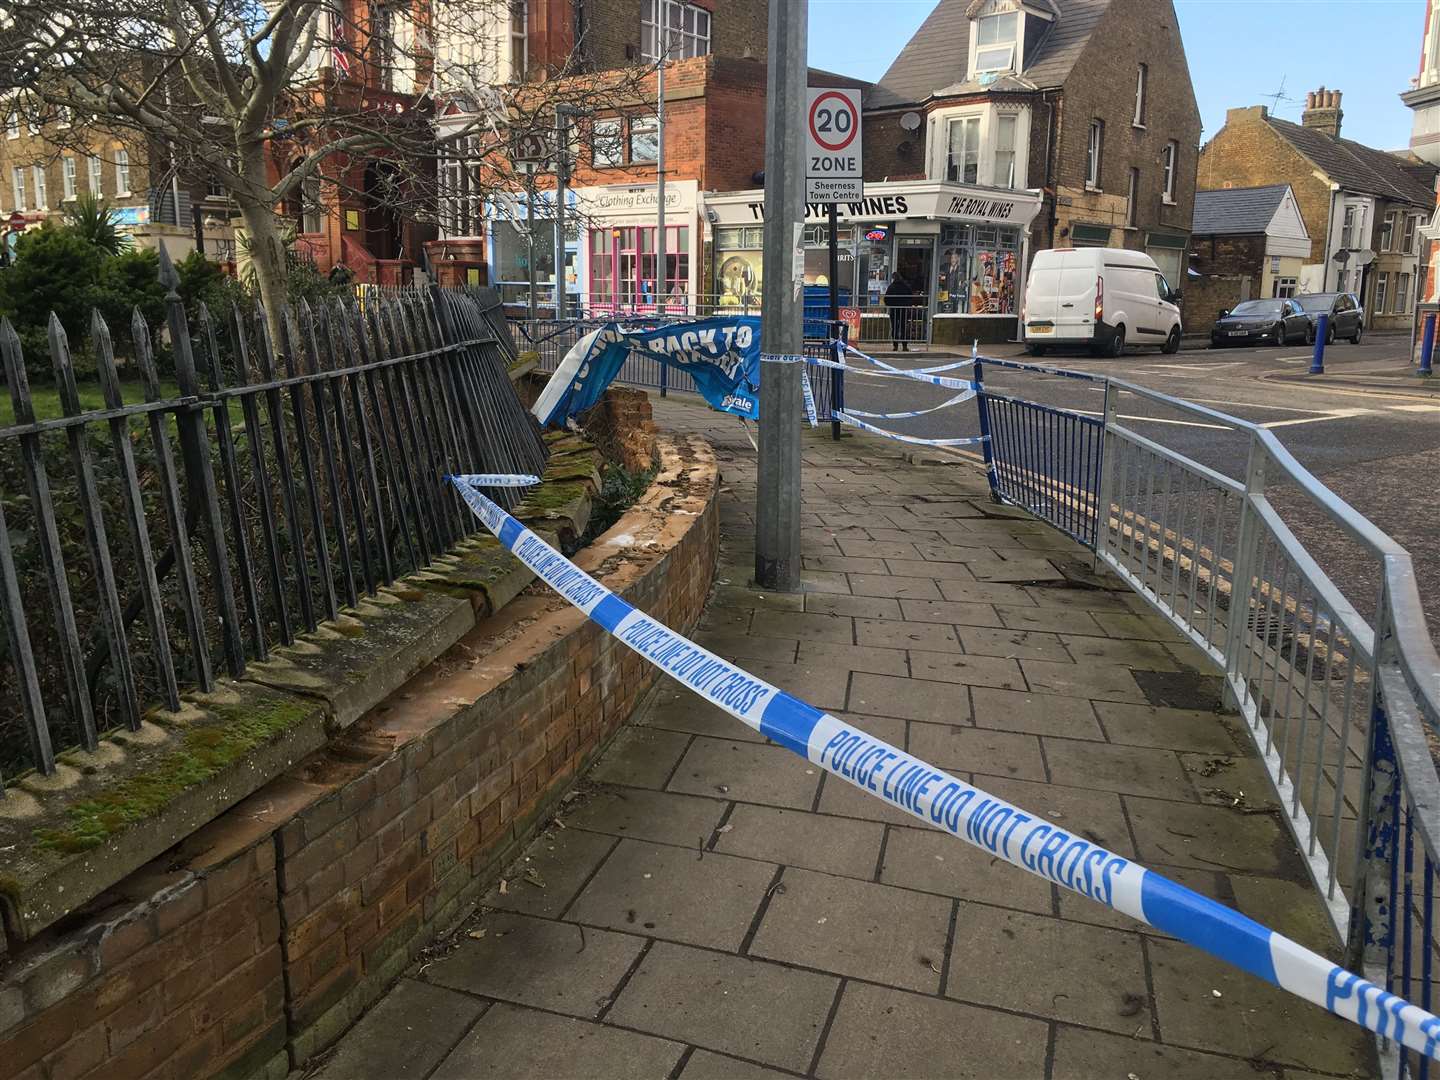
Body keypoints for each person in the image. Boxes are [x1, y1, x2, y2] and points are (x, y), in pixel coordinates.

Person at [884, 271, 915, 351]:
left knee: (895, 327)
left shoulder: (891, 287)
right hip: (904, 309)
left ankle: (895, 346)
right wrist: (907, 305)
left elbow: (886, 299)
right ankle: (904, 346)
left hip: (894, 309)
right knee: (903, 327)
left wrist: (891, 305)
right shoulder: (906, 286)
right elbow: (911, 296)